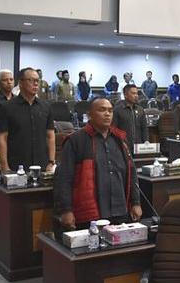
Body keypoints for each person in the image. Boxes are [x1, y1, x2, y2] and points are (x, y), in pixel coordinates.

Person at [54, 97, 141, 229]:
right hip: (91, 214)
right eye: (102, 110)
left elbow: (131, 173)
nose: (107, 114)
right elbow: (64, 178)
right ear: (89, 115)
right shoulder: (75, 140)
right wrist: (66, 210)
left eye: (110, 111)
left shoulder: (120, 139)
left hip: (120, 210)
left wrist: (136, 202)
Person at [0, 68, 55, 173]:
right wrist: (4, 166)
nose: (36, 84)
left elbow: (50, 136)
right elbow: (2, 138)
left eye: (37, 80)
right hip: (17, 164)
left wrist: (51, 161)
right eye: (31, 80)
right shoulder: (7, 107)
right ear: (20, 83)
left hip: (42, 165)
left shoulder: (46, 107)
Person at [112, 84, 148, 152]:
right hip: (123, 147)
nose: (136, 96)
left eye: (137, 93)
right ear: (125, 95)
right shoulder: (117, 110)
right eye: (133, 93)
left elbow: (144, 128)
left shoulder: (140, 110)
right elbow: (113, 129)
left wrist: (146, 141)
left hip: (139, 147)